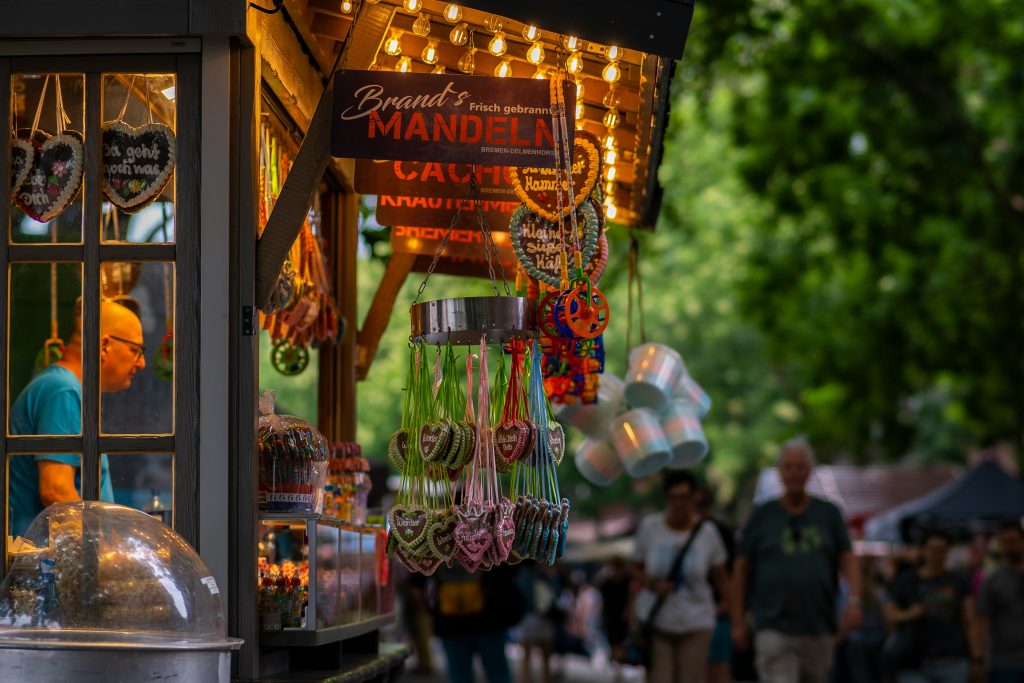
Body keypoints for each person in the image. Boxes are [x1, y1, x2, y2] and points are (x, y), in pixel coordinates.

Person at [9, 299, 146, 537]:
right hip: (48, 569)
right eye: (136, 350)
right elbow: (55, 491)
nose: (142, 363)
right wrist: (109, 550)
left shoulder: (61, 386)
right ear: (104, 346)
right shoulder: (64, 390)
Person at [730, 437, 861, 683]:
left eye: (800, 467)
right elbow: (741, 569)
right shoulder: (762, 515)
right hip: (772, 625)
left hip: (819, 626)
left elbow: (848, 558)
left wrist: (854, 601)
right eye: (788, 467)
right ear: (780, 472)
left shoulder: (828, 513)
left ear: (809, 470)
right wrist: (738, 621)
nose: (794, 473)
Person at [633, 470, 731, 683]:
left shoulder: (708, 533)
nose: (679, 504)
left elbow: (721, 577)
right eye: (673, 497)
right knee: (660, 677)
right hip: (658, 621)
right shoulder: (650, 527)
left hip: (696, 622)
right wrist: (652, 584)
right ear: (666, 498)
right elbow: (635, 567)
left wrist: (729, 609)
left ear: (694, 498)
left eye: (684, 497)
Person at [884, 529, 973, 683]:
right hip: (913, 659)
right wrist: (911, 614)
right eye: (932, 549)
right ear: (923, 550)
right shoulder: (907, 580)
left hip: (952, 659)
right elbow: (889, 614)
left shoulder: (958, 581)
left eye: (942, 550)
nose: (937, 554)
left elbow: (969, 619)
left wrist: (976, 657)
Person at [426, 561, 522, 683]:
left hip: (452, 623)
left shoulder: (434, 544)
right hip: (489, 620)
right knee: (498, 673)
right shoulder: (494, 542)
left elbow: (420, 578)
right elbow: (512, 567)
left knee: (459, 676)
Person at [972, 520, 1024, 683]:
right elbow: (981, 620)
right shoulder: (993, 580)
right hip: (1004, 662)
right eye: (1005, 542)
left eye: (1014, 541)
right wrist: (978, 658)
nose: (1010, 546)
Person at [694, 485, 736, 683]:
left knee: (718, 668)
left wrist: (728, 604)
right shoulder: (676, 531)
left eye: (702, 505)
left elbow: (733, 570)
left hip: (718, 613)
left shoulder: (720, 531)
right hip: (688, 614)